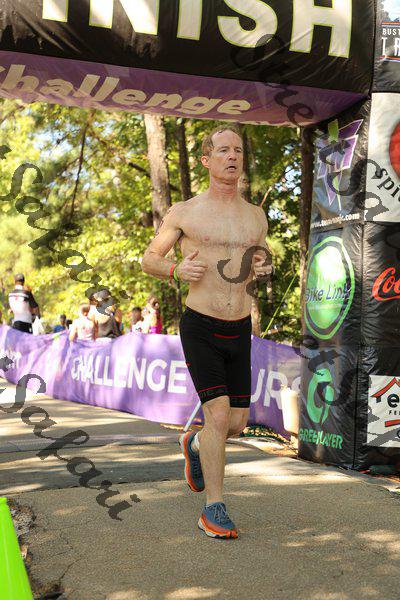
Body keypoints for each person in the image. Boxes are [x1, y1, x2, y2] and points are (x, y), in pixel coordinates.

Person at [141, 125, 272, 539]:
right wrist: (176, 269)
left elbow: (261, 257)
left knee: (235, 423)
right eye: (223, 150)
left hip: (239, 327)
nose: (232, 156)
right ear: (206, 160)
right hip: (201, 325)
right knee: (217, 415)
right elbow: (149, 259)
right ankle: (214, 508)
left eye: (238, 150)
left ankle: (195, 444)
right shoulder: (185, 212)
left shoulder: (256, 216)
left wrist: (263, 264)